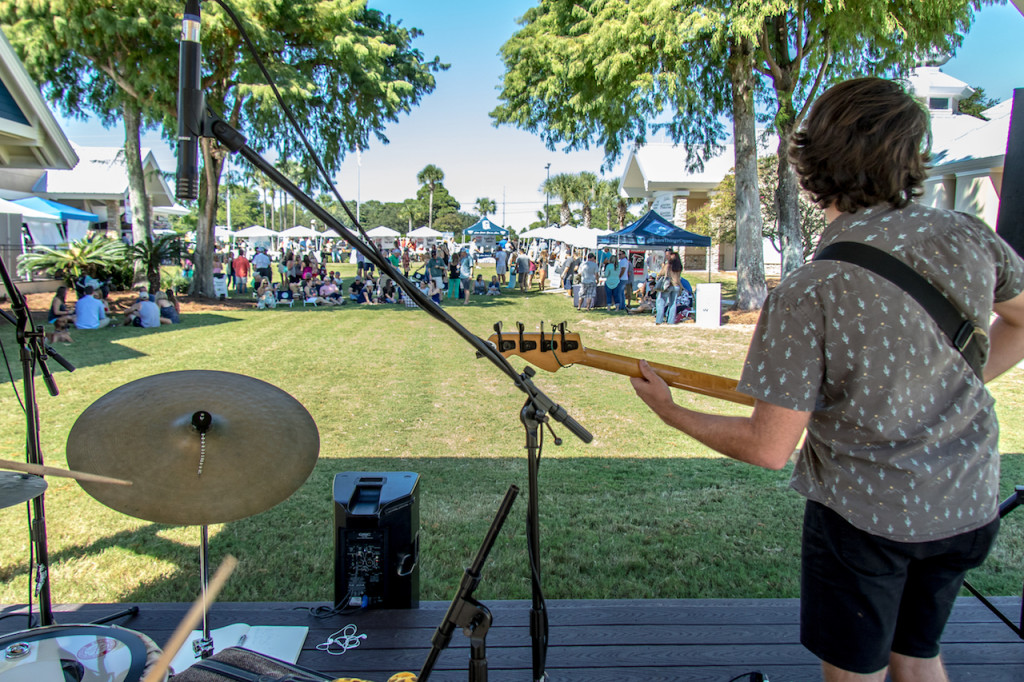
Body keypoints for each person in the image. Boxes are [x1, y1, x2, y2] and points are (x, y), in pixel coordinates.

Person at [630, 77, 1024, 682]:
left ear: (814, 164)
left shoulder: (811, 288)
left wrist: (671, 411)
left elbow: (768, 447)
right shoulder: (970, 238)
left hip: (868, 519)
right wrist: (966, 378)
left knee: (854, 673)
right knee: (918, 656)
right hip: (966, 504)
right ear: (912, 158)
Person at [653, 256, 681, 325]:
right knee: (673, 303)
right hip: (676, 285)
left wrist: (663, 266)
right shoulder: (679, 267)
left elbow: (661, 274)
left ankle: (659, 320)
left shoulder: (668, 265)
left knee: (661, 303)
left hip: (668, 285)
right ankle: (670, 321)